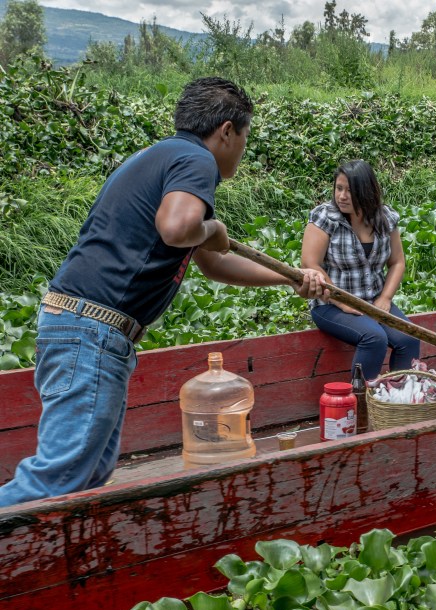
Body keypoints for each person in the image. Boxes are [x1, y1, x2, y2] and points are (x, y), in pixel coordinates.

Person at [0, 77, 326, 507]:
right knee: (58, 479)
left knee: (90, 472)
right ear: (227, 131)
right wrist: (213, 227)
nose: (243, 151)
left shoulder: (162, 157)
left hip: (83, 327)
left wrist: (289, 277)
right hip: (90, 330)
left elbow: (214, 263)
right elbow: (177, 230)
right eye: (245, 137)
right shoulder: (195, 160)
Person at [301, 159, 420, 382]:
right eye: (339, 188)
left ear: (365, 192)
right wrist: (342, 301)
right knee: (374, 338)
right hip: (330, 305)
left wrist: (385, 298)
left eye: (350, 190)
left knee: (408, 340)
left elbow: (397, 262)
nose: (342, 196)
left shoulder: (385, 218)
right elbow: (310, 264)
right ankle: (360, 406)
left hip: (374, 300)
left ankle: (399, 401)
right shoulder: (326, 217)